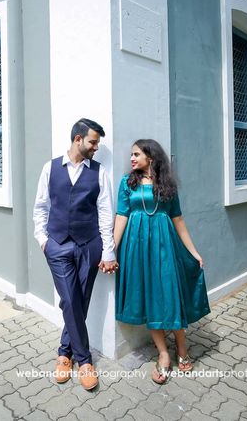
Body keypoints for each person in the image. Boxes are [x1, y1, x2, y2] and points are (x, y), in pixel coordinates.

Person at [113, 139, 210, 384]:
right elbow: (122, 216)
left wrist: (194, 251)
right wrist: (111, 249)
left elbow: (178, 220)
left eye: (136, 154)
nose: (132, 159)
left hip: (165, 244)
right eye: (131, 155)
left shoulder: (167, 185)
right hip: (136, 246)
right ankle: (164, 354)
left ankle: (182, 347)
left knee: (169, 296)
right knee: (149, 297)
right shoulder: (127, 182)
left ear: (151, 157)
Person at [33, 118, 119, 390]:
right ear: (78, 139)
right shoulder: (50, 168)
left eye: (98, 143)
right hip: (57, 245)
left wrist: (107, 251)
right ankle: (84, 360)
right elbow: (40, 207)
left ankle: (63, 354)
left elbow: (106, 212)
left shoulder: (99, 171)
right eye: (93, 142)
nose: (96, 147)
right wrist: (43, 240)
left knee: (78, 301)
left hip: (88, 245)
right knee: (70, 300)